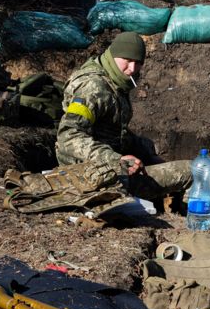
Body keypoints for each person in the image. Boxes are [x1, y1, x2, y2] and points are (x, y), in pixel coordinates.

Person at [55, 32, 192, 203]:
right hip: (89, 174)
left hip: (106, 165)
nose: (132, 68)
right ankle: (193, 219)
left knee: (146, 145)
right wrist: (116, 159)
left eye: (138, 63)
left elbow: (116, 131)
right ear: (113, 56)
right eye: (127, 60)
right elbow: (68, 136)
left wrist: (148, 155)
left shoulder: (115, 81)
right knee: (194, 171)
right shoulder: (93, 87)